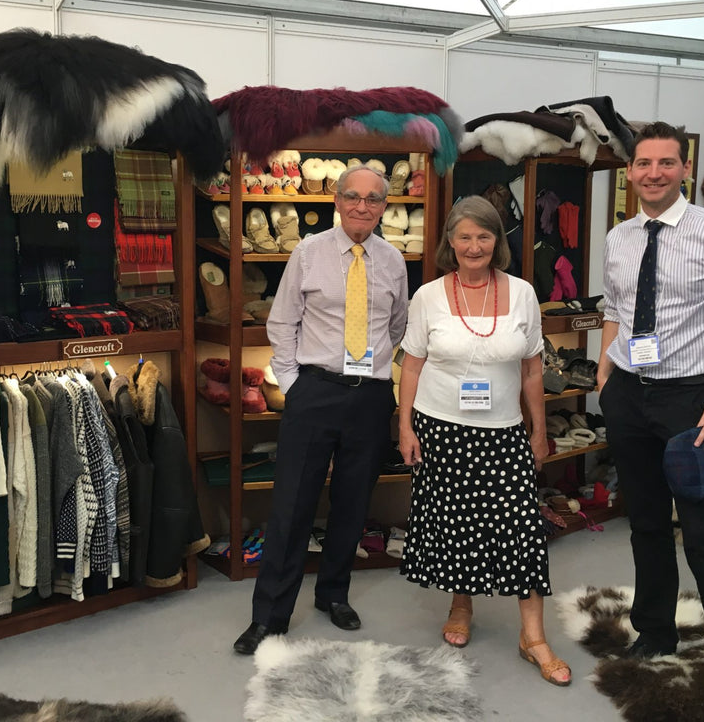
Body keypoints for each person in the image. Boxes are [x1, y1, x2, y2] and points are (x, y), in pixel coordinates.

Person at [596, 122, 704, 722]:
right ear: (631, 172)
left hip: (693, 402)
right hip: (628, 394)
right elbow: (616, 310)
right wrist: (604, 377)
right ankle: (655, 631)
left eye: (666, 163)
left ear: (684, 169)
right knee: (644, 522)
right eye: (643, 163)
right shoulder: (619, 237)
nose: (653, 173)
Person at [233, 164, 409, 655]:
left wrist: (374, 377)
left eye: (373, 199)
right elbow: (282, 321)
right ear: (336, 199)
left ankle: (334, 594)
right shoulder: (308, 253)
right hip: (314, 391)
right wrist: (293, 384)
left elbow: (397, 327)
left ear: (383, 207)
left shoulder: (393, 260)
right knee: (292, 505)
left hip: (370, 397)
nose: (362, 206)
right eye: (353, 196)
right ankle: (269, 616)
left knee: (353, 504)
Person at [398, 195, 571, 687]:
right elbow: (411, 363)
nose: (474, 246)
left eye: (484, 236)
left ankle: (533, 636)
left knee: (522, 529)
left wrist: (538, 430)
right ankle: (460, 607)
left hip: (502, 430)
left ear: (498, 242)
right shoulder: (428, 296)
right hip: (441, 427)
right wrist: (405, 426)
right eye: (464, 236)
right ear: (449, 243)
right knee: (453, 521)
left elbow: (533, 367)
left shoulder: (521, 294)